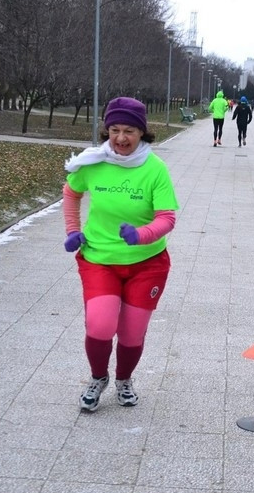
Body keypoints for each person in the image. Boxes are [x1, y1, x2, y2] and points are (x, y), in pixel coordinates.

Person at [62, 97, 179, 411]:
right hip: (99, 259)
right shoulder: (93, 162)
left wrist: (140, 235)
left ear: (142, 133)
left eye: (129, 130)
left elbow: (167, 218)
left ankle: (124, 379)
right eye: (114, 129)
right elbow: (71, 192)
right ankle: (97, 377)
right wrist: (73, 230)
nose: (121, 138)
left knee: (131, 332)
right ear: (106, 130)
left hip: (147, 263)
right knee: (100, 324)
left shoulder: (154, 169)